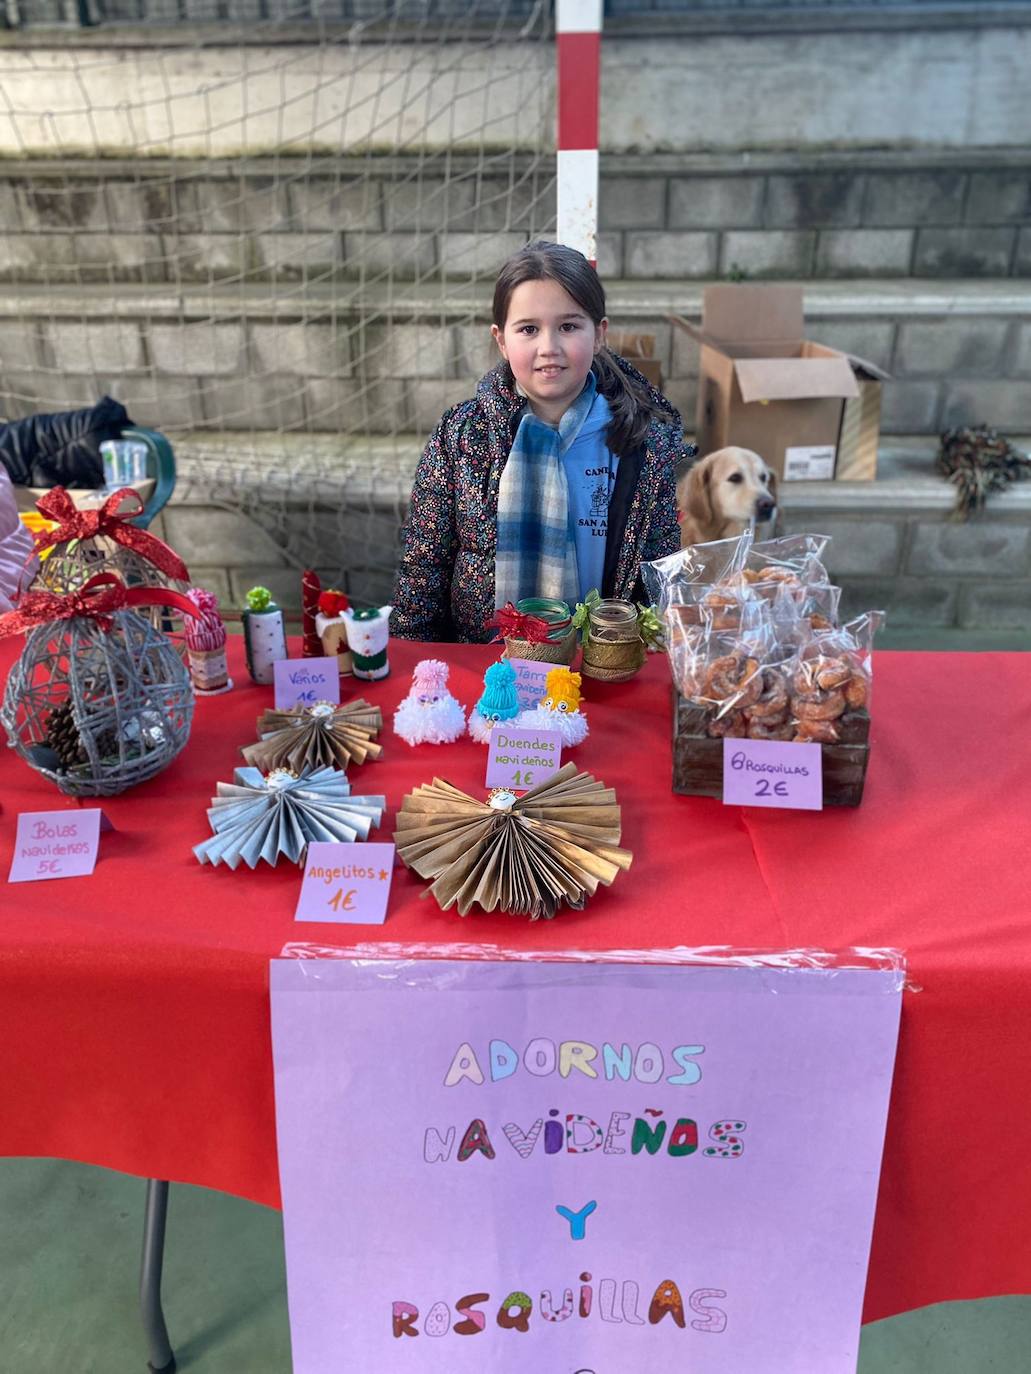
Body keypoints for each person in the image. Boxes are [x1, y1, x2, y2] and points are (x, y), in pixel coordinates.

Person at [391, 239, 693, 642]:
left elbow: (658, 580)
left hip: (600, 667)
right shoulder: (461, 436)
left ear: (599, 333)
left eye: (568, 326)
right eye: (528, 329)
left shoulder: (642, 443)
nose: (549, 348)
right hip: (488, 672)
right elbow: (423, 571)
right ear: (501, 339)